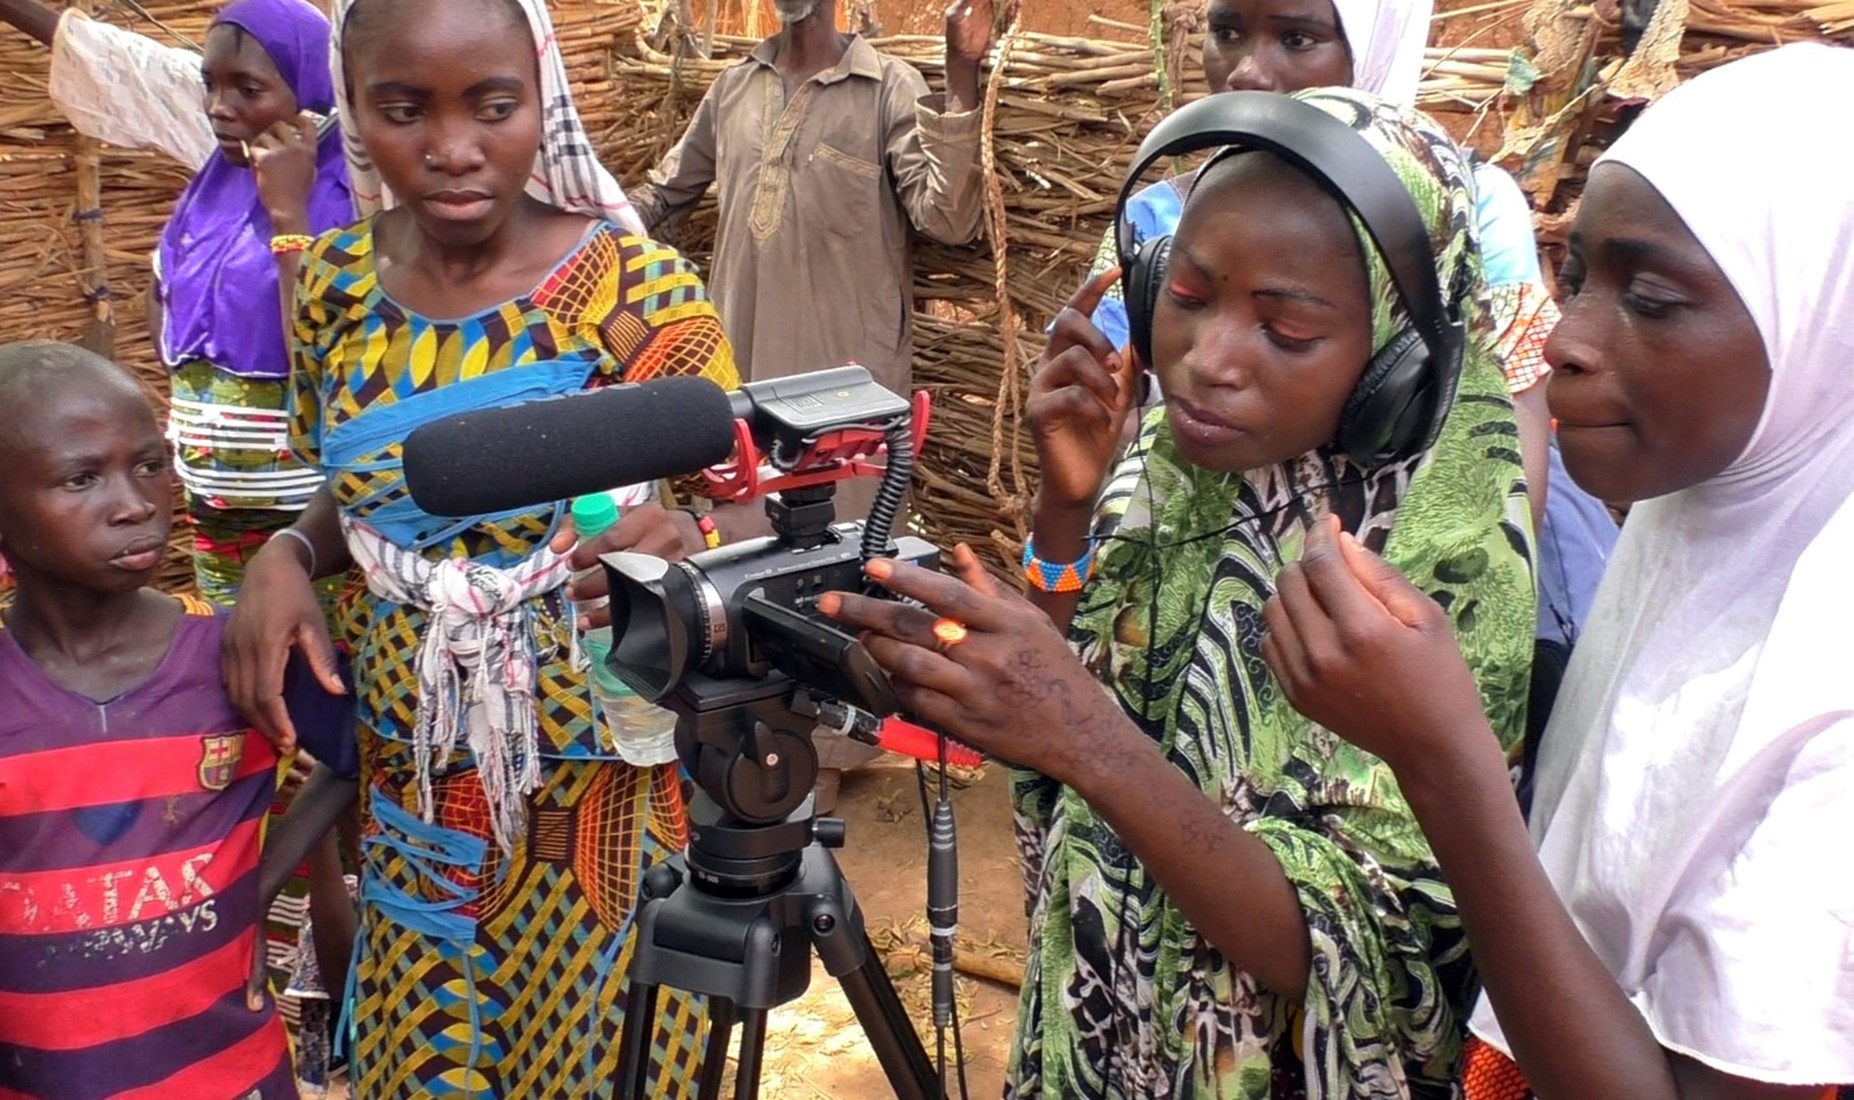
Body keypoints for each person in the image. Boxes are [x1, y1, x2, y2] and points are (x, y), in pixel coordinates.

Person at [824, 88, 1535, 1097]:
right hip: (1097, 1034)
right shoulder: (1170, 460)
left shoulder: (1451, 554)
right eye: (1188, 296)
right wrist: (1065, 512)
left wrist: (1088, 736)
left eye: (1285, 332)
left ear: (1397, 361)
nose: (1205, 361)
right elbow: (1061, 717)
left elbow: (1350, 958)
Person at [1260, 43, 1854, 1099]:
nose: (1564, 340)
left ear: (1824, 320)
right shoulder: (1694, 530)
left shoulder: (1831, 707)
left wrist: (1445, 761)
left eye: (1655, 298)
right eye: (1574, 275)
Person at [222, 0, 753, 1092]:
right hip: (413, 780)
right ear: (354, 111)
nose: (454, 148)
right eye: (404, 108)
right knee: (434, 1050)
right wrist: (286, 552)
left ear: (542, 100)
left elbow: (747, 498)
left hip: (596, 790)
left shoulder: (631, 293)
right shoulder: (330, 288)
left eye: (494, 106)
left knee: (605, 1053)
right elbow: (360, 495)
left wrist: (690, 536)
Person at [0, 341, 292, 1099]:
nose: (134, 504)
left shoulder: (234, 654)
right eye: (81, 478)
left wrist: (250, 889)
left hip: (233, 1076)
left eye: (150, 464)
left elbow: (352, 762)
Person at [0, 0, 352, 607]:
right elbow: (165, 294)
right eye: (210, 85)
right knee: (233, 652)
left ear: (310, 90)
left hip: (313, 513)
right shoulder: (214, 185)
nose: (220, 107)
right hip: (215, 501)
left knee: (321, 669)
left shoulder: (355, 196)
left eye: (248, 89)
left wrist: (288, 213)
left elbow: (322, 350)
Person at [629, 0, 990, 403]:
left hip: (848, 403)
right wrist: (592, 222)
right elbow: (664, 194)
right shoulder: (734, 87)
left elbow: (949, 220)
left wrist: (961, 69)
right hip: (738, 392)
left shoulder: (888, 88)